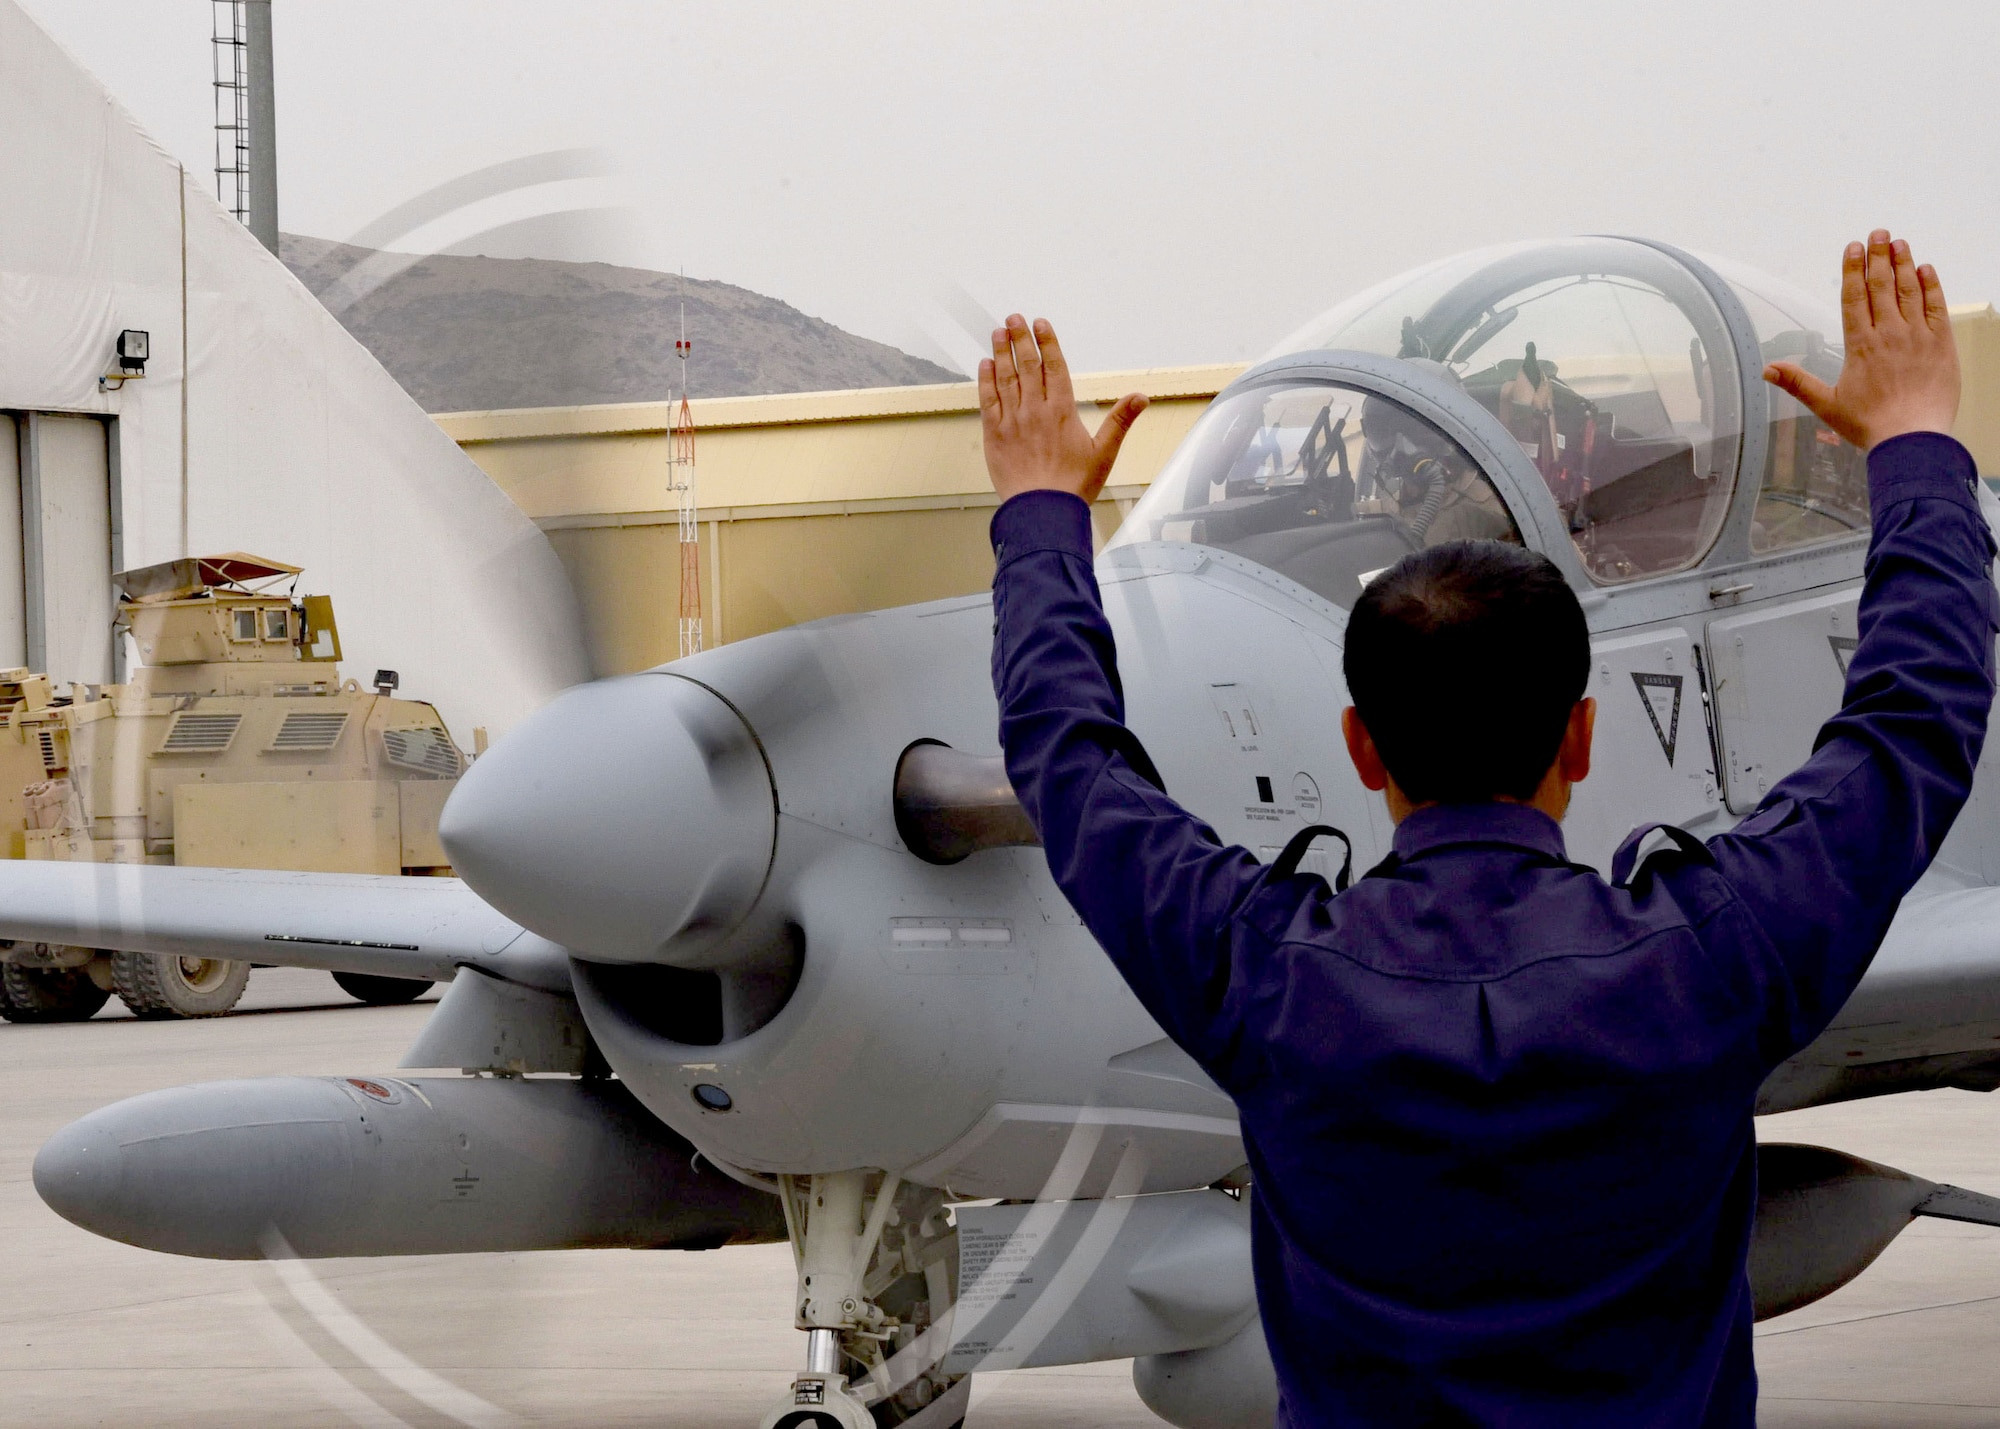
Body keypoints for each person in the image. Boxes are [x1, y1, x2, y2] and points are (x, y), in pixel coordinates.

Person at [980, 231, 1997, 1427]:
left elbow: (1068, 760)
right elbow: (1911, 721)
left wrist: (1042, 512)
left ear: (1361, 747)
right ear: (1579, 738)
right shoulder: (1714, 959)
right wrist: (1917, 448)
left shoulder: (1261, 979)